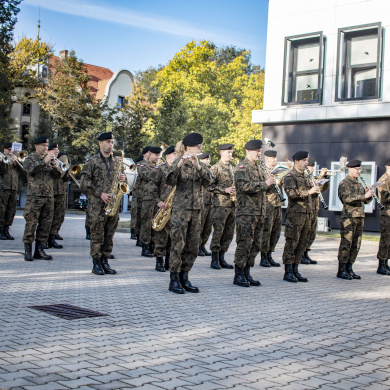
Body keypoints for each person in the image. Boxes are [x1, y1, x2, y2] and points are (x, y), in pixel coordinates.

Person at [164, 133, 213, 294]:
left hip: (197, 211)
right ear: (189, 147)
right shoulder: (178, 162)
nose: (200, 148)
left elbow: (209, 182)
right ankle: (174, 279)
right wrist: (180, 165)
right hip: (180, 211)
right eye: (198, 146)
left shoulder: (200, 165)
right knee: (178, 245)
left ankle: (185, 276)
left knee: (192, 246)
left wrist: (198, 166)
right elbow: (169, 180)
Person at [80, 132, 127, 275]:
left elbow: (123, 182)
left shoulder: (118, 161)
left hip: (113, 204)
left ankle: (105, 261)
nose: (110, 144)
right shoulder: (91, 162)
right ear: (100, 143)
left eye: (112, 142)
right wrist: (100, 193)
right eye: (107, 142)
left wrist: (123, 178)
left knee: (109, 235)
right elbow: (83, 182)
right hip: (97, 205)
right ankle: (96, 263)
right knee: (97, 235)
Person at [233, 140, 275, 287]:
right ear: (248, 151)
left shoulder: (259, 168)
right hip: (246, 213)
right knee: (244, 244)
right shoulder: (242, 167)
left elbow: (262, 189)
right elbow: (243, 186)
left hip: (259, 213)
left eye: (260, 150)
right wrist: (265, 184)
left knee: (256, 244)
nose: (259, 153)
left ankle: (247, 272)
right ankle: (238, 274)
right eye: (256, 151)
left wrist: (270, 184)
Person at [22, 136, 63, 261]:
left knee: (45, 225)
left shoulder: (51, 160)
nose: (45, 148)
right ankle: (28, 250)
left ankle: (39, 250)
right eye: (42, 146)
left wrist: (55, 166)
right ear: (36, 146)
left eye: (46, 146)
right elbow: (30, 170)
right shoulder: (30, 159)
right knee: (31, 224)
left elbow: (59, 176)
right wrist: (44, 161)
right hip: (34, 197)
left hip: (49, 197)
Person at [282, 151, 319, 283]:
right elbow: (291, 194)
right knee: (292, 242)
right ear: (296, 161)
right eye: (304, 160)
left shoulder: (306, 176)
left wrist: (316, 190)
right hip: (295, 216)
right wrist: (308, 192)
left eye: (306, 160)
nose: (306, 163)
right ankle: (288, 271)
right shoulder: (290, 175)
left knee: (302, 243)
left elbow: (310, 195)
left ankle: (295, 268)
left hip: (307, 214)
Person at [337, 160, 374, 280]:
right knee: (346, 244)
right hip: (349, 217)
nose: (359, 172)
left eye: (360, 169)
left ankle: (350, 267)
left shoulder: (359, 183)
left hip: (359, 216)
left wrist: (370, 195)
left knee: (356, 244)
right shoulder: (344, 183)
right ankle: (341, 269)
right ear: (350, 169)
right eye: (357, 169)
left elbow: (365, 201)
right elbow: (347, 199)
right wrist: (364, 196)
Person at [208, 143, 236, 270]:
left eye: (231, 152)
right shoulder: (215, 168)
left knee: (228, 233)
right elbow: (209, 186)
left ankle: (222, 257)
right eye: (228, 152)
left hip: (232, 205)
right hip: (220, 206)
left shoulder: (233, 168)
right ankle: (214, 259)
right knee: (218, 232)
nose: (231, 154)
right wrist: (224, 189)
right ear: (221, 153)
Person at [150, 145, 177, 272]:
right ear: (167, 155)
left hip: (176, 207)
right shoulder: (160, 169)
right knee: (161, 235)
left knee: (173, 235)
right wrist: (158, 201)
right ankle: (159, 260)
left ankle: (168, 261)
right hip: (163, 206)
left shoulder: (179, 169)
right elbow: (152, 187)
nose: (177, 156)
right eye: (175, 154)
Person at [301, 157, 330, 265]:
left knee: (312, 233)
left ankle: (306, 252)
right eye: (310, 166)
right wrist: (320, 177)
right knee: (304, 233)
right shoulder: (304, 178)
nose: (312, 169)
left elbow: (323, 188)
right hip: (305, 209)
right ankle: (301, 254)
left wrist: (325, 177)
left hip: (314, 209)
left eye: (313, 166)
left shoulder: (313, 178)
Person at [260, 149, 283, 267]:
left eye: (275, 157)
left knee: (276, 231)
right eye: (272, 158)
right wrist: (268, 181)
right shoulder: (261, 171)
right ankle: (263, 256)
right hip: (267, 204)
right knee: (266, 231)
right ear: (267, 159)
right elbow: (260, 187)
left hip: (277, 204)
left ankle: (270, 254)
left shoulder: (277, 172)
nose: (274, 160)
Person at [139, 146, 162, 257]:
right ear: (150, 154)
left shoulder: (160, 167)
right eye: (156, 155)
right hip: (148, 199)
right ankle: (145, 246)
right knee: (146, 223)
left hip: (158, 199)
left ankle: (153, 244)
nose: (157, 157)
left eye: (159, 155)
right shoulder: (144, 167)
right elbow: (150, 177)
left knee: (156, 222)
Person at [46, 144, 69, 249]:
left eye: (57, 150)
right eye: (54, 150)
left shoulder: (59, 161)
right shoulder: (45, 161)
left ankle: (52, 238)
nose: (56, 152)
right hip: (50, 192)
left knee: (58, 216)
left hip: (61, 192)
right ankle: (44, 240)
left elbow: (63, 176)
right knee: (48, 217)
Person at [0, 142, 23, 240]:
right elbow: (2, 171)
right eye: (8, 150)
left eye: (11, 149)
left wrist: (17, 161)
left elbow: (23, 171)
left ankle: (6, 229)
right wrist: (6, 162)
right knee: (1, 210)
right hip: (2, 188)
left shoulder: (15, 160)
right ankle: (0, 230)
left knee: (11, 210)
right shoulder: (1, 159)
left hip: (13, 188)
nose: (10, 151)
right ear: (4, 150)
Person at [134, 147, 151, 248]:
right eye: (149, 152)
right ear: (145, 154)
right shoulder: (140, 165)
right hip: (141, 195)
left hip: (150, 196)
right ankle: (138, 237)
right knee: (140, 217)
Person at [197, 152, 213, 257]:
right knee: (200, 225)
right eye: (206, 159)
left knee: (208, 227)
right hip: (202, 201)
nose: (208, 161)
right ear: (201, 160)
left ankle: (203, 245)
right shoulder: (200, 169)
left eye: (209, 159)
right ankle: (197, 246)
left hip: (210, 201)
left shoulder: (209, 170)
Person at [377, 159, 390, 275]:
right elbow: (384, 198)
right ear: (387, 166)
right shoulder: (383, 180)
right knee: (385, 240)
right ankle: (381, 264)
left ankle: (386, 263)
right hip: (386, 214)